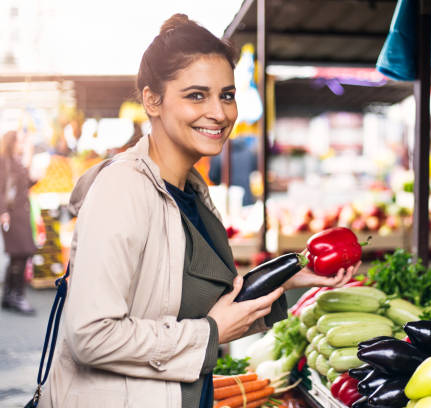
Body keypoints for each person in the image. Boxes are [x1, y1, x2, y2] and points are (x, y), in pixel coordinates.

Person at [39, 14, 358, 408]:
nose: (220, 113)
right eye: (196, 96)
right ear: (152, 100)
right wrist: (208, 334)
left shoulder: (191, 191)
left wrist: (292, 275)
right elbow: (91, 334)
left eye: (226, 95)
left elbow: (195, 310)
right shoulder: (123, 189)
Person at [0, 130, 37, 315]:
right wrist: (3, 212)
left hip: (21, 213)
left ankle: (9, 295)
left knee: (18, 255)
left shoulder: (16, 161)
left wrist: (34, 177)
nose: (21, 145)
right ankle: (17, 296)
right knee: (22, 253)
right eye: (19, 142)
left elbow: (23, 185)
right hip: (12, 215)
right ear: (11, 142)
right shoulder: (4, 161)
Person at [208, 136, 258, 205]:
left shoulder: (219, 154)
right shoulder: (249, 153)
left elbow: (212, 176)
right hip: (248, 199)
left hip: (228, 200)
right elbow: (255, 171)